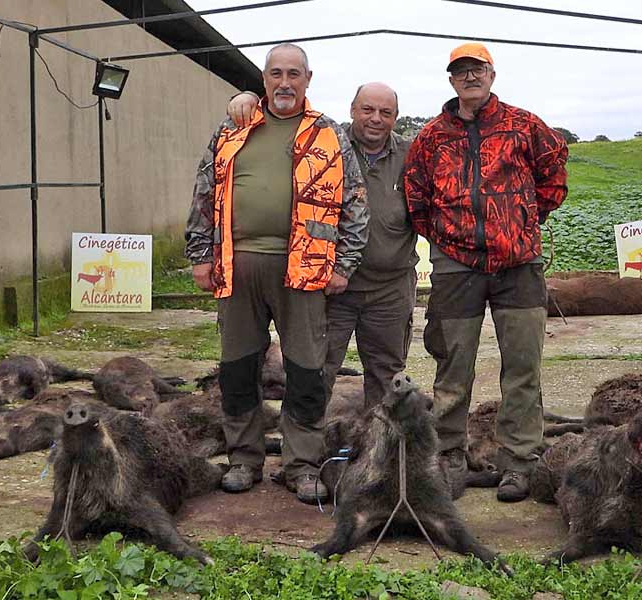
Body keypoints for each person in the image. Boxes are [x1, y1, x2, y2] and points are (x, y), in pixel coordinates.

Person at [184, 43, 369, 504]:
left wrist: (343, 265)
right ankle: (243, 460)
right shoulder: (234, 128)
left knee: (306, 371)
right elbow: (204, 192)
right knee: (238, 368)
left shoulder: (328, 134)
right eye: (275, 74)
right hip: (236, 266)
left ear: (308, 79)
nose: (284, 82)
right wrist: (200, 254)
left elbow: (355, 202)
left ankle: (301, 465)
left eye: (294, 74)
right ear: (263, 79)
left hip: (304, 270)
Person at [403, 43, 568, 502]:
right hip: (457, 267)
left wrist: (524, 219)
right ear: (451, 80)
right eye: (460, 71)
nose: (469, 77)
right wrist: (444, 236)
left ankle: (518, 461)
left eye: (477, 69)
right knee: (452, 367)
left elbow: (555, 172)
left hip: (519, 265)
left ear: (492, 74)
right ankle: (450, 455)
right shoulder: (431, 136)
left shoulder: (524, 124)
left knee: (522, 365)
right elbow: (415, 196)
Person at [228, 82, 417, 408]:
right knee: (315, 370)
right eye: (367, 110)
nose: (376, 119)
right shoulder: (326, 145)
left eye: (385, 112)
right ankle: (306, 451)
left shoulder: (413, 156)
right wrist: (245, 98)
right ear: (352, 110)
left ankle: (379, 448)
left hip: (391, 289)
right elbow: (279, 124)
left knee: (387, 375)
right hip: (331, 286)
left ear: (396, 117)